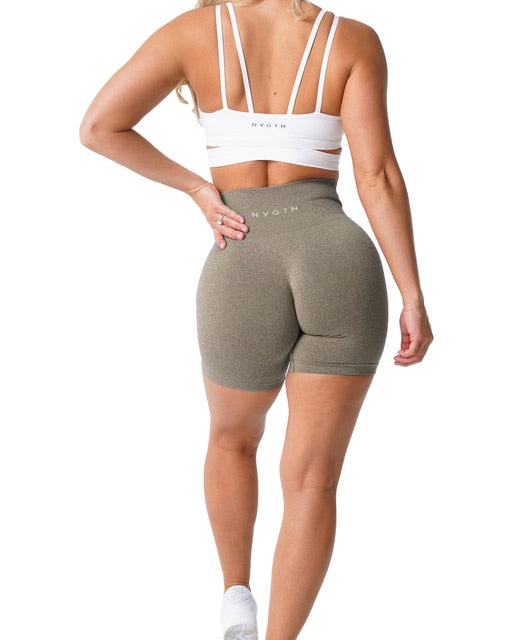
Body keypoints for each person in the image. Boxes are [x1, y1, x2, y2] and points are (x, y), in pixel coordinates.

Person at [79, 0, 433, 638]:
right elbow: (376, 174)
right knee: (313, 482)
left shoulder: (193, 32)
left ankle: (235, 595)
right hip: (337, 259)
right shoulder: (352, 39)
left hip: (239, 253)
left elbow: (100, 127)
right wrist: (411, 292)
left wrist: (198, 189)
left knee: (231, 439)